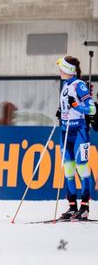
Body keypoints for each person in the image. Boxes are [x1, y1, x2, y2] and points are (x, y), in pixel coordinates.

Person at [56, 55, 95, 220]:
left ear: (67, 70)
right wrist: (61, 112)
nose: (59, 70)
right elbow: (67, 107)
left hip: (79, 130)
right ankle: (72, 206)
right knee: (69, 168)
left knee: (81, 166)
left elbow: (92, 109)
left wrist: (77, 106)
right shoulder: (65, 85)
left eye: (61, 68)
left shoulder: (79, 85)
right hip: (66, 131)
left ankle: (85, 206)